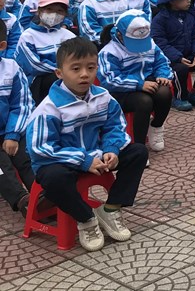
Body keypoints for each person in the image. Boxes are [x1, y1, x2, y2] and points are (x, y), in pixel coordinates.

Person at [25, 37, 148, 252]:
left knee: (138, 152)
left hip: (97, 155)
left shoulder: (103, 97)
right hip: (62, 162)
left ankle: (110, 209)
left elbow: (115, 126)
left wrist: (111, 150)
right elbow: (40, 148)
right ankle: (86, 219)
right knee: (52, 178)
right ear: (59, 73)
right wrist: (83, 160)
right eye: (76, 69)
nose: (84, 74)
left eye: (90, 68)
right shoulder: (50, 108)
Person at [97, 11, 173, 152]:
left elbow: (162, 62)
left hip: (147, 83)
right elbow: (109, 80)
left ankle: (156, 126)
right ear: (120, 34)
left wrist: (163, 75)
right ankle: (139, 147)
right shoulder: (109, 52)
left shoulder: (151, 43)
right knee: (144, 102)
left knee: (164, 92)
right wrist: (138, 84)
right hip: (121, 92)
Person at [0, 21, 37, 216]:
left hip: (10, 128)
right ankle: (22, 199)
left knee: (25, 157)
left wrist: (12, 134)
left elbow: (23, 104)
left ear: (2, 46)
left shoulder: (11, 68)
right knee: (2, 167)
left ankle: (43, 195)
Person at [15, 0, 78, 104]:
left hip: (67, 76)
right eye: (49, 9)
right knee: (57, 79)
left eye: (59, 11)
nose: (54, 14)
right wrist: (63, 71)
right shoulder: (28, 36)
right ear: (39, 11)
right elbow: (34, 65)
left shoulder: (69, 35)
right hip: (38, 82)